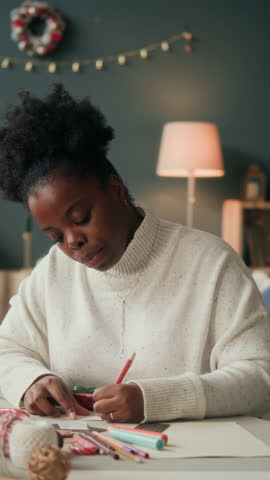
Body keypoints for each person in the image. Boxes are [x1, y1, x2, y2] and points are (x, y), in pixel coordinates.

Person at [0, 84, 269, 424]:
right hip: (82, 465)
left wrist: (155, 399)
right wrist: (31, 381)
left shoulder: (212, 263)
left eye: (81, 219)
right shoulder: (52, 272)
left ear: (115, 189)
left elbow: (261, 377)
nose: (72, 243)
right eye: (55, 236)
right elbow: (7, 351)